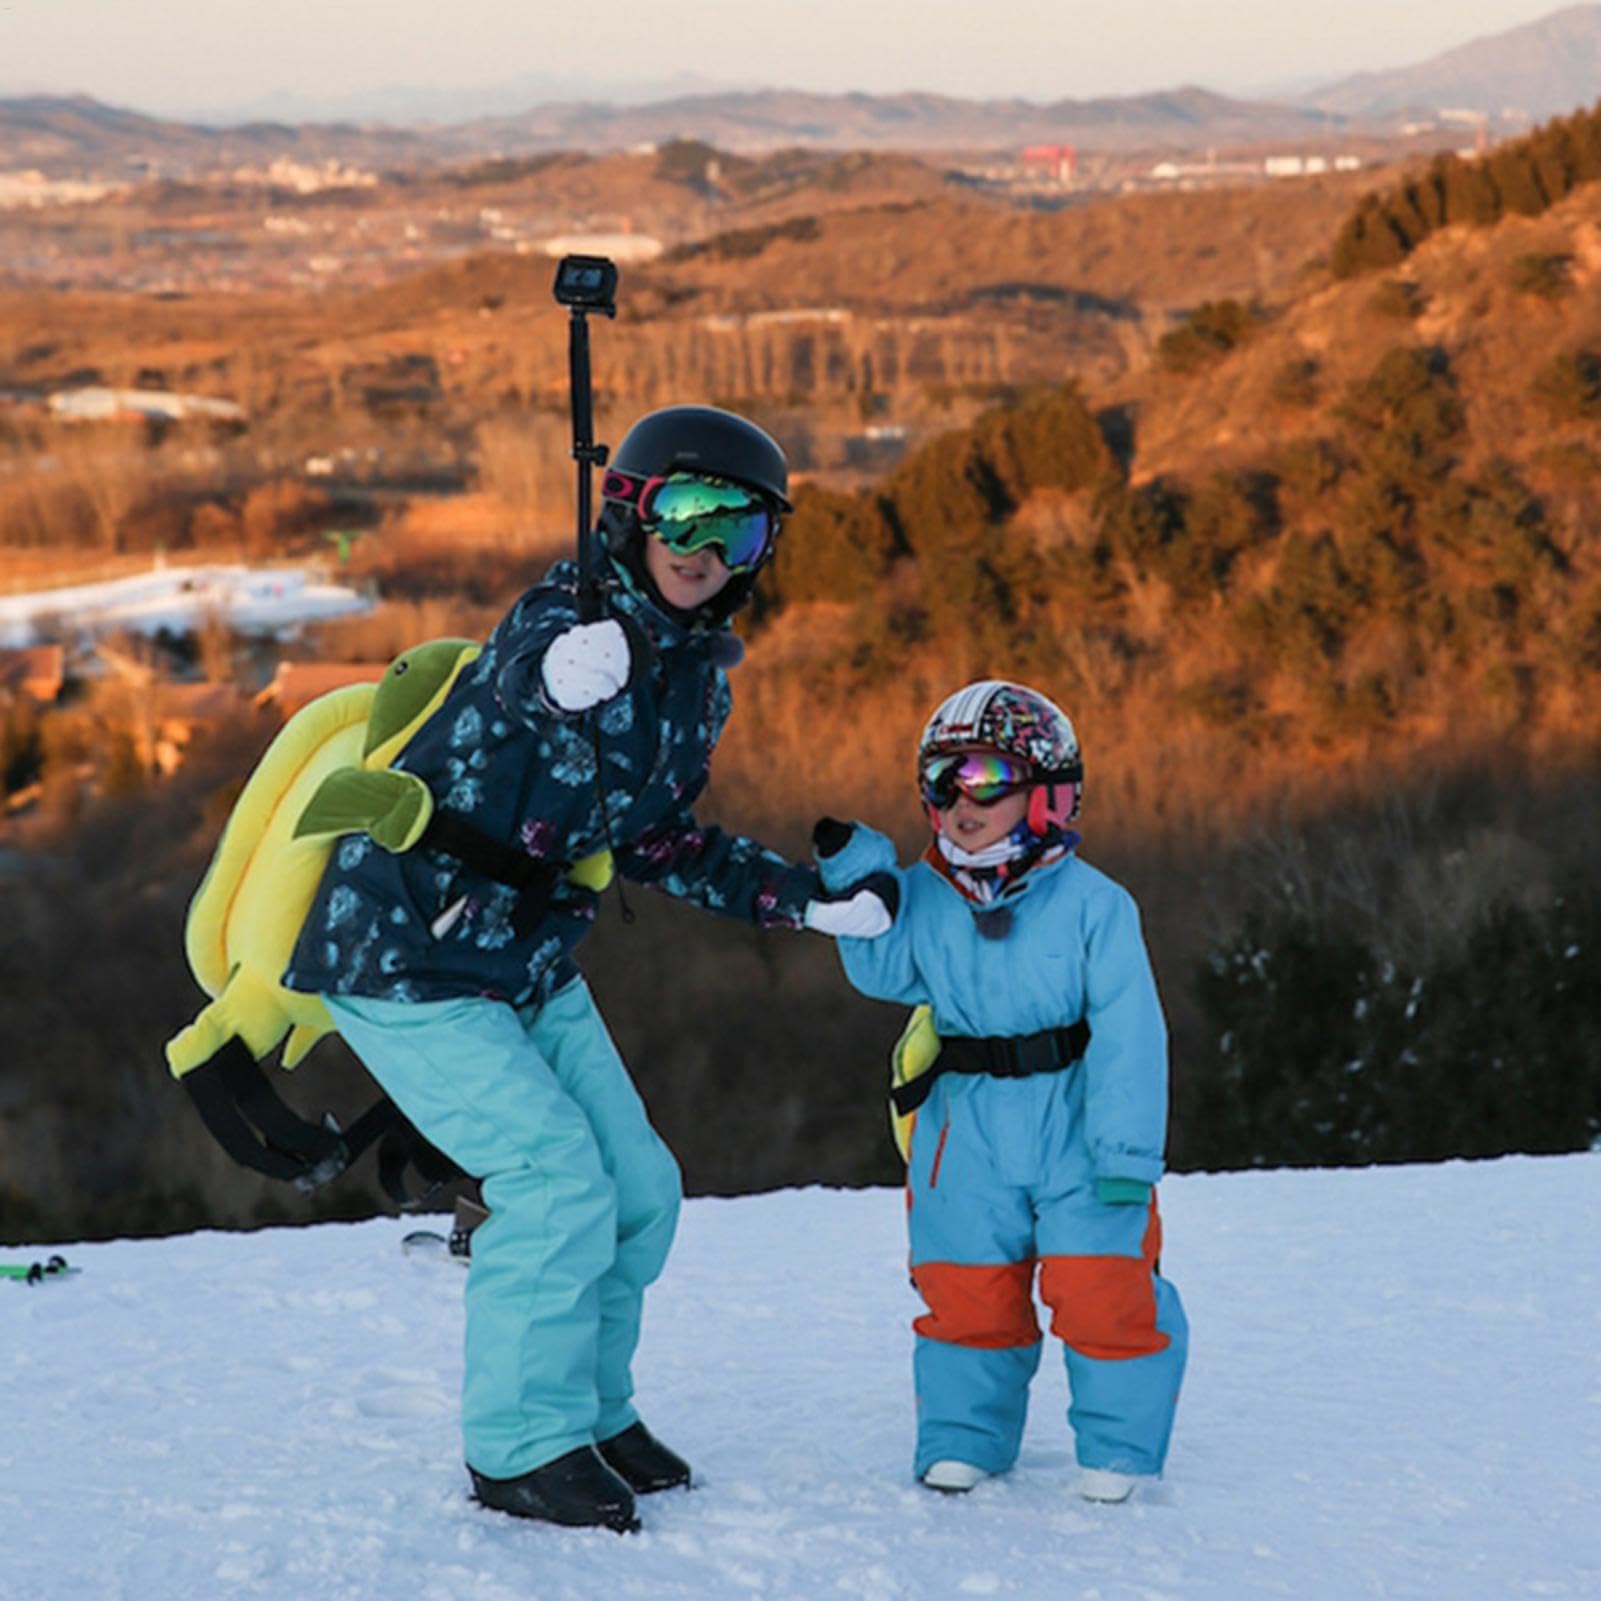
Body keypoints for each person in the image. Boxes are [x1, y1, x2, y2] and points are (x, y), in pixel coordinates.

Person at [281, 404, 891, 1534]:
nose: (705, 548)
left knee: (639, 1186)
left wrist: (803, 903)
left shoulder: (696, 675)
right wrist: (558, 677)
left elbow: (659, 836)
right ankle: (518, 1444)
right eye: (685, 511)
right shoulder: (562, 613)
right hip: (406, 945)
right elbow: (513, 681)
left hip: (524, 953)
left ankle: (589, 1413)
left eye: (740, 530)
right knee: (553, 1178)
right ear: (629, 510)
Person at [812, 679, 1187, 1504]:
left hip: (1076, 1123)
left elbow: (1131, 1035)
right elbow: (881, 968)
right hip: (965, 1131)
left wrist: (1126, 1154)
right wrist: (860, 878)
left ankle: (1118, 1449)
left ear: (1047, 789)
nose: (959, 802)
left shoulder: (1096, 905)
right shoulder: (926, 893)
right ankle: (964, 1438)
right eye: (940, 781)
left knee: (1103, 1285)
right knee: (964, 1286)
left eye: (983, 777)